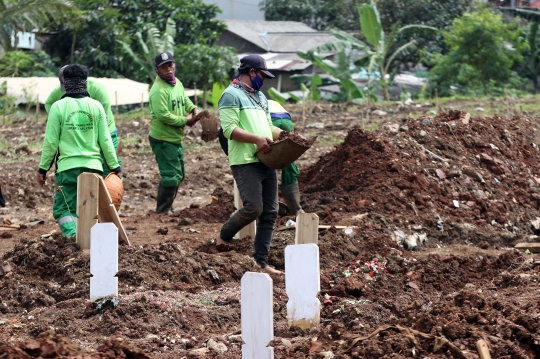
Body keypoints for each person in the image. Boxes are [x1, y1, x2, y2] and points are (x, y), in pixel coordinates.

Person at [213, 54, 284, 275]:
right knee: (254, 207)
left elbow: (268, 125)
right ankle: (223, 237)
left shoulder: (261, 97)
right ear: (251, 72)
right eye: (262, 75)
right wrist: (256, 139)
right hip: (245, 160)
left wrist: (284, 135)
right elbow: (229, 130)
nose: (263, 79)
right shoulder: (230, 95)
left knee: (270, 212)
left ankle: (260, 262)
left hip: (266, 158)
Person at [37, 64, 120, 237]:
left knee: (62, 209)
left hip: (68, 169)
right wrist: (114, 166)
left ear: (65, 84)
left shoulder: (58, 107)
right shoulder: (96, 107)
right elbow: (106, 141)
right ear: (85, 83)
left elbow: (50, 143)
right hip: (94, 168)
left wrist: (43, 169)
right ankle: (89, 244)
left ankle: (74, 238)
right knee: (89, 208)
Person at [218, 100, 303, 216]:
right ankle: (296, 209)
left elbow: (233, 142)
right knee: (288, 164)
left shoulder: (232, 121)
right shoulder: (258, 100)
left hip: (270, 122)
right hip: (286, 120)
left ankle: (265, 201)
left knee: (260, 162)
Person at [149, 51, 201, 214]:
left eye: (170, 65)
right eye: (164, 67)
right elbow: (163, 115)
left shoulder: (175, 83)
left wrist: (193, 109)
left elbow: (184, 99)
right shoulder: (158, 90)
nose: (168, 69)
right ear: (158, 70)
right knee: (171, 175)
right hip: (163, 139)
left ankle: (168, 206)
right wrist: (186, 121)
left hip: (174, 138)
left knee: (179, 174)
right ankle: (162, 210)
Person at [45, 66, 120, 177]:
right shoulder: (59, 93)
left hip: (106, 131)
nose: (66, 88)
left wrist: (114, 165)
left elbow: (105, 131)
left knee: (109, 172)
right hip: (78, 133)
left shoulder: (99, 91)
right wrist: (57, 119)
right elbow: (48, 103)